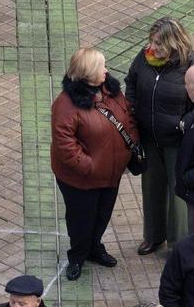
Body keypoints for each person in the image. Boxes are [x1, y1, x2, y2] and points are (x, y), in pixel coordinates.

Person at [51, 47, 139, 280]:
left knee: (102, 215)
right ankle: (78, 256)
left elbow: (127, 115)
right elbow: (66, 147)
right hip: (81, 180)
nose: (106, 70)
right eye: (101, 67)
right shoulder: (65, 105)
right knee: (81, 219)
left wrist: (130, 147)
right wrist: (92, 167)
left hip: (110, 173)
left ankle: (94, 247)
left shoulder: (110, 89)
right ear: (88, 73)